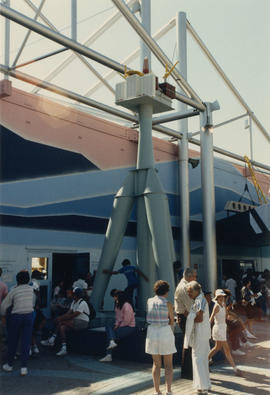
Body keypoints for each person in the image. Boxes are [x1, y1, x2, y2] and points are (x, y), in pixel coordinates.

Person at [1, 270, 35, 376]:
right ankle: (24, 368)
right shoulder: (31, 290)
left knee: (13, 341)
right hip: (29, 316)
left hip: (16, 317)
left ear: (17, 280)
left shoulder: (14, 291)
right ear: (28, 279)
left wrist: (3, 315)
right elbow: (33, 302)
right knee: (25, 342)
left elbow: (3, 307)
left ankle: (9, 365)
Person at [145, 280, 176, 395]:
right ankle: (168, 390)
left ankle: (157, 391)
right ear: (166, 291)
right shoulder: (168, 304)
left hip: (152, 332)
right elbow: (172, 321)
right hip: (165, 332)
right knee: (168, 364)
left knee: (156, 364)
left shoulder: (149, 301)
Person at [41, 287, 89, 356]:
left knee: (61, 322)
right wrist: (60, 318)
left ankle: (52, 339)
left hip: (83, 322)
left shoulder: (83, 303)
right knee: (62, 327)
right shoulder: (74, 302)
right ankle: (64, 348)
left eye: (73, 294)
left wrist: (60, 318)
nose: (72, 295)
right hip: (75, 321)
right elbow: (68, 313)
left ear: (76, 295)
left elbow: (72, 316)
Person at [185, 281, 211, 395]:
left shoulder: (200, 300)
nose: (188, 294)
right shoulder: (199, 299)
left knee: (198, 359)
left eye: (190, 292)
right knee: (201, 359)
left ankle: (202, 386)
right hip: (201, 334)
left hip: (200, 334)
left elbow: (199, 318)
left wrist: (188, 317)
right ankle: (203, 384)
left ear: (196, 290)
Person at [208, 289, 241, 376]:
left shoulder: (223, 304)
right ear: (217, 297)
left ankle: (204, 361)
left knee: (217, 347)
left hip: (222, 328)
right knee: (226, 349)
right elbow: (211, 319)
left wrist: (234, 317)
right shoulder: (216, 306)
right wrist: (205, 329)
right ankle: (235, 369)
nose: (222, 298)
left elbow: (226, 317)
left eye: (223, 296)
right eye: (220, 296)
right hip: (218, 328)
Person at [99, 291, 135, 362]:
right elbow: (118, 318)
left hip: (129, 327)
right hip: (122, 326)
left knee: (111, 334)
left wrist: (118, 326)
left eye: (115, 296)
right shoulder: (118, 305)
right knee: (109, 326)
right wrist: (116, 325)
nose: (114, 298)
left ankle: (109, 355)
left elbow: (127, 321)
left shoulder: (127, 305)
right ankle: (112, 342)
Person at [174, 267, 197, 379]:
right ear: (189, 276)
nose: (195, 278)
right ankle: (188, 372)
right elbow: (190, 306)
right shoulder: (184, 287)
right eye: (194, 276)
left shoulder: (186, 285)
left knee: (189, 343)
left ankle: (189, 371)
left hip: (186, 316)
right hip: (185, 316)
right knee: (188, 344)